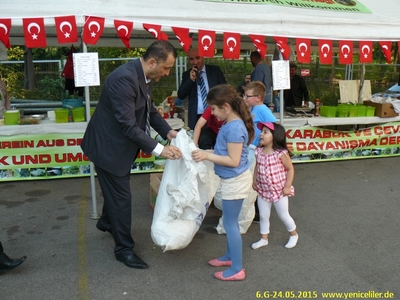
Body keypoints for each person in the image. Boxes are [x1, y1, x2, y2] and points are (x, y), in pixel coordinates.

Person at [81, 40, 183, 269]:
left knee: (116, 193)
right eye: (166, 68)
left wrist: (170, 133)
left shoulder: (145, 77)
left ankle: (107, 221)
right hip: (107, 148)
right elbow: (128, 125)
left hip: (119, 147)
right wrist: (160, 149)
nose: (167, 73)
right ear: (152, 62)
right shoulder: (124, 79)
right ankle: (124, 249)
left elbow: (149, 112)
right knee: (122, 199)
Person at [191, 84, 254, 281]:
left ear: (226, 107)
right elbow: (225, 153)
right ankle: (229, 257)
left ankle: (237, 269)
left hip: (235, 181)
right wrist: (207, 153)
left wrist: (206, 156)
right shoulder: (231, 123)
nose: (213, 114)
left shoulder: (234, 127)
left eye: (214, 109)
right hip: (232, 179)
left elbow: (233, 161)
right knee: (229, 221)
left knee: (230, 224)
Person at [251, 122, 298, 250]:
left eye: (265, 132)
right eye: (262, 131)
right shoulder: (258, 151)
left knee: (283, 215)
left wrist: (287, 186)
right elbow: (257, 166)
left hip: (279, 191)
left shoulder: (281, 153)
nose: (261, 134)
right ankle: (263, 238)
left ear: (275, 136)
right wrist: (254, 179)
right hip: (263, 190)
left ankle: (293, 234)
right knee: (263, 215)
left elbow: (290, 169)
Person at [243, 81, 277, 222]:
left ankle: (257, 212)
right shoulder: (254, 110)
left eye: (247, 96)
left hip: (257, 150)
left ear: (258, 98)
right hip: (252, 149)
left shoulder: (263, 110)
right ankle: (255, 211)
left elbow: (275, 126)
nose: (245, 98)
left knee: (256, 179)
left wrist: (266, 144)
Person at [177, 47, 226, 130]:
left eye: (197, 58)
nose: (195, 62)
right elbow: (181, 95)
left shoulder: (215, 71)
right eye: (191, 59)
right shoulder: (187, 75)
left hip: (215, 115)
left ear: (203, 57)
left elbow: (225, 90)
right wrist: (191, 80)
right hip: (197, 117)